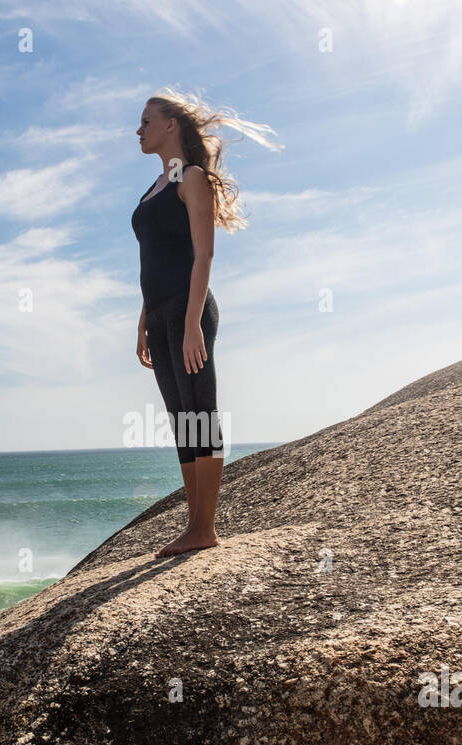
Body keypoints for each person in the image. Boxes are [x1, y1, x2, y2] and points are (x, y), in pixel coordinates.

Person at [131, 87, 280, 557]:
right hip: (159, 312)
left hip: (188, 309)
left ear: (170, 124)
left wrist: (193, 321)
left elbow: (204, 252)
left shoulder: (190, 178)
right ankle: (194, 525)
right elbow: (151, 259)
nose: (138, 130)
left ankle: (204, 526)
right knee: (182, 419)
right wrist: (142, 322)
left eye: (146, 121)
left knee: (200, 410)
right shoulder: (155, 187)